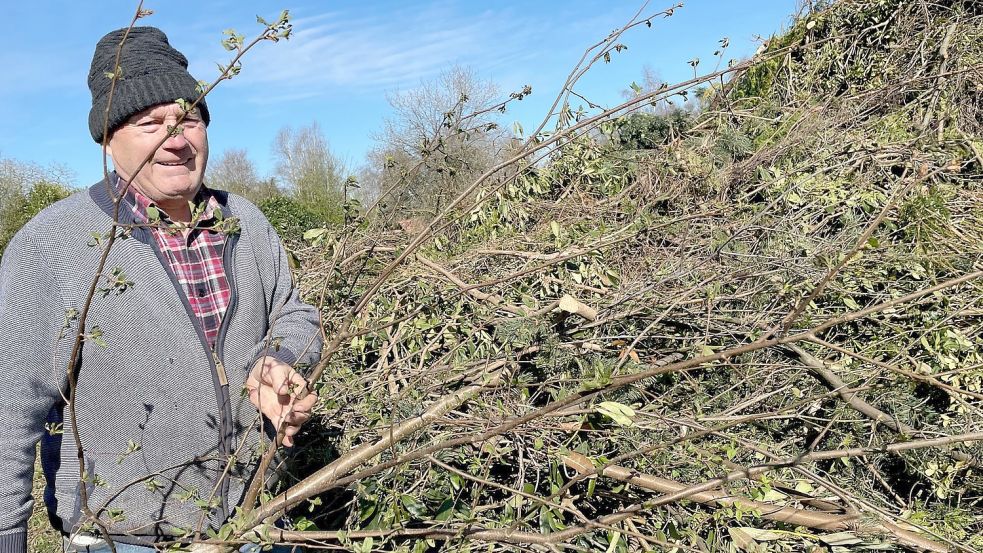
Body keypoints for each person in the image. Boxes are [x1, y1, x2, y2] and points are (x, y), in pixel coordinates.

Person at [0, 26, 323, 552]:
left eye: (188, 118)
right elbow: (8, 412)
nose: (175, 139)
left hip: (258, 523)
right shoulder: (51, 244)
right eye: (150, 123)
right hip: (123, 539)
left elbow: (294, 312)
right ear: (108, 140)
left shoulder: (247, 221)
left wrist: (280, 358)